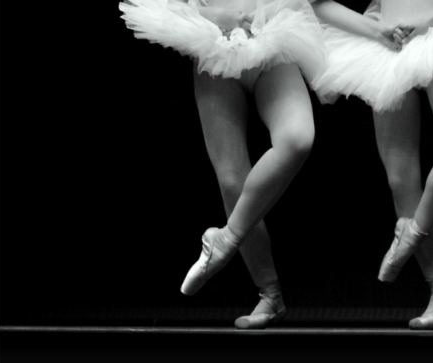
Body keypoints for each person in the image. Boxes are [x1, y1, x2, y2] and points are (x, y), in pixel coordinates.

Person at [120, 0, 328, 329]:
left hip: (270, 40)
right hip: (213, 45)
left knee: (297, 138)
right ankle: (269, 294)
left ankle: (226, 239)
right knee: (232, 180)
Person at [311, 0, 433, 330]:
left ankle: (412, 232)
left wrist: (432, 18)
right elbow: (317, 3)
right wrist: (375, 29)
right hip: (386, 41)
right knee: (401, 177)